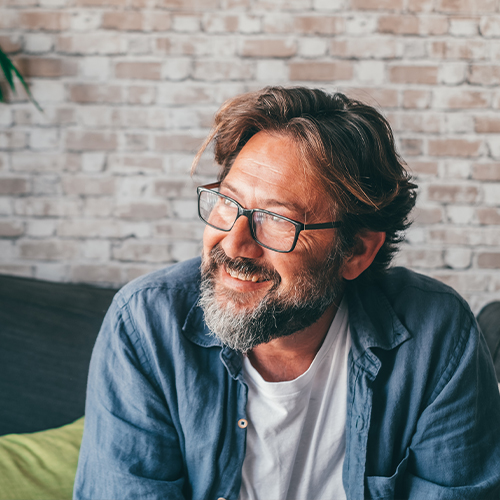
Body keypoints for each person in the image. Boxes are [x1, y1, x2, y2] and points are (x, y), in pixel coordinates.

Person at [73, 87, 500, 500]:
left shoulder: (435, 335)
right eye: (227, 202)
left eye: (276, 220)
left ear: (356, 251)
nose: (233, 243)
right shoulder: (146, 324)